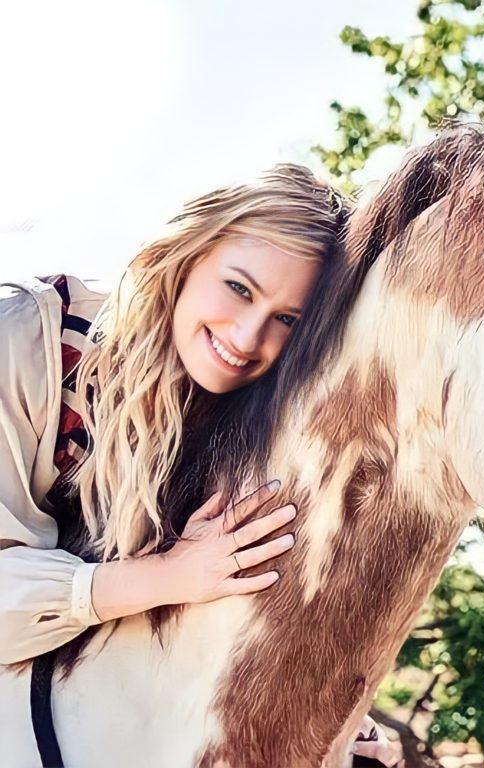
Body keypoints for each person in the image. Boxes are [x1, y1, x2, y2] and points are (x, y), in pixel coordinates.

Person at [0, 164, 402, 767]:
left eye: (287, 319)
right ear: (188, 255)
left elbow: (208, 607)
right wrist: (169, 574)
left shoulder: (245, 414)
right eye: (239, 288)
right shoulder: (29, 336)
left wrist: (316, 714)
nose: (246, 338)